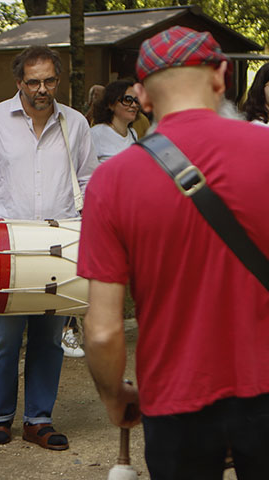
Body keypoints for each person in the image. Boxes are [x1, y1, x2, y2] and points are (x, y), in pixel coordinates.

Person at [78, 26, 269, 479]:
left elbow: (102, 332)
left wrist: (113, 396)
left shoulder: (112, 181)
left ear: (142, 96)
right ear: (221, 77)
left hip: (176, 397)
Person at [0, 45, 98, 449]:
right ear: (19, 82)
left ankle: (38, 419)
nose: (42, 89)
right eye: (33, 82)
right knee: (4, 337)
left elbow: (89, 180)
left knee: (49, 337)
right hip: (8, 247)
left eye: (50, 81)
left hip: (60, 246)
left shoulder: (76, 124)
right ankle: (0, 416)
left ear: (59, 80)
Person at [90, 79, 139, 163]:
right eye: (127, 100)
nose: (134, 105)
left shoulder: (133, 133)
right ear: (111, 104)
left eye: (136, 100)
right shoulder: (96, 134)